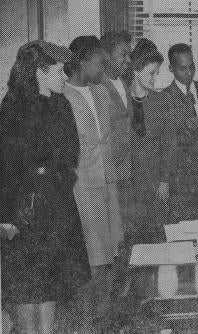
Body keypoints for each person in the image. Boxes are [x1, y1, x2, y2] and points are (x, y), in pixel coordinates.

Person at [0, 40, 90, 334]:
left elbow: (71, 155)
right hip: (23, 211)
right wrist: (7, 216)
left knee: (51, 281)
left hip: (57, 206)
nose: (66, 77)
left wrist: (58, 185)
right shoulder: (12, 107)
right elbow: (5, 166)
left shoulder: (61, 104)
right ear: (40, 71)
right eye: (60, 70)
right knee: (26, 286)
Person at [63, 36, 124, 328]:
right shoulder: (62, 96)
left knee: (111, 253)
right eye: (100, 62)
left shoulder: (101, 92)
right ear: (82, 62)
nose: (105, 67)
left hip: (108, 183)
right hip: (82, 186)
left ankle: (105, 319)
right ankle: (86, 323)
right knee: (90, 258)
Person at [144, 43, 198, 224]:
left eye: (192, 66)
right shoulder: (163, 98)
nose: (189, 73)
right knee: (185, 232)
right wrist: (185, 128)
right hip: (181, 180)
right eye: (183, 68)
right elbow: (163, 143)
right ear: (171, 68)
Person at [128, 41, 170, 239]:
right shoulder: (121, 100)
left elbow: (169, 146)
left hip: (155, 183)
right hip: (129, 183)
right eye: (151, 73)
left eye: (157, 73)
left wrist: (164, 180)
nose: (154, 79)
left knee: (156, 238)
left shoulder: (162, 101)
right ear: (136, 70)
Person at [100, 31, 134, 235]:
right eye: (123, 54)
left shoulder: (125, 83)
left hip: (130, 173)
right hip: (112, 177)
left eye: (129, 55)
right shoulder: (97, 87)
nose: (128, 60)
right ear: (106, 56)